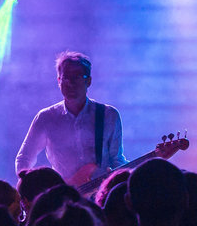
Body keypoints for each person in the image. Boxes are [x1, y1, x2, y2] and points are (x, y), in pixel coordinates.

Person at [14, 51, 125, 186]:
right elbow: (24, 158)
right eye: (66, 77)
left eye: (77, 77)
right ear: (58, 81)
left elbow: (117, 160)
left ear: (88, 81)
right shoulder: (46, 118)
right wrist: (33, 188)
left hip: (100, 197)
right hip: (62, 198)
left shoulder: (109, 115)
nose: (70, 83)